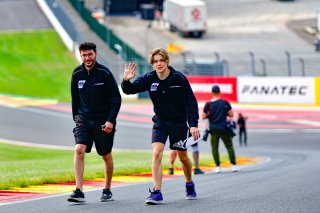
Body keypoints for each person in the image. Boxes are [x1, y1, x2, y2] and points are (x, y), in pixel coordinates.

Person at [121, 47, 200, 205]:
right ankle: (157, 192)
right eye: (155, 61)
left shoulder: (179, 78)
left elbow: (191, 102)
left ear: (167, 61)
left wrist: (193, 125)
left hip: (178, 123)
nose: (159, 64)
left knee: (182, 157)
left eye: (161, 60)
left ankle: (189, 184)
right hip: (160, 122)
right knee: (157, 152)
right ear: (152, 63)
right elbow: (129, 90)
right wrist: (126, 80)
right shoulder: (149, 78)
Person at [68, 42, 121, 203]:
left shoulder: (105, 73)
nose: (87, 58)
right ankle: (79, 191)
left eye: (90, 54)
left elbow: (116, 99)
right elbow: (75, 99)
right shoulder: (77, 74)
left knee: (105, 155)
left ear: (95, 54)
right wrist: (76, 118)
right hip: (83, 119)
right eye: (84, 55)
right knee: (79, 149)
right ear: (81, 56)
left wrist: (110, 121)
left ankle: (107, 189)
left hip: (103, 121)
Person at [202, 85, 238, 173]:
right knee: (229, 146)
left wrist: (209, 114)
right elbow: (231, 115)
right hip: (224, 128)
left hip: (213, 129)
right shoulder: (225, 102)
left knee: (215, 148)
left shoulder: (208, 104)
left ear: (212, 93)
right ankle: (233, 165)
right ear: (219, 92)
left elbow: (203, 116)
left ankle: (218, 166)